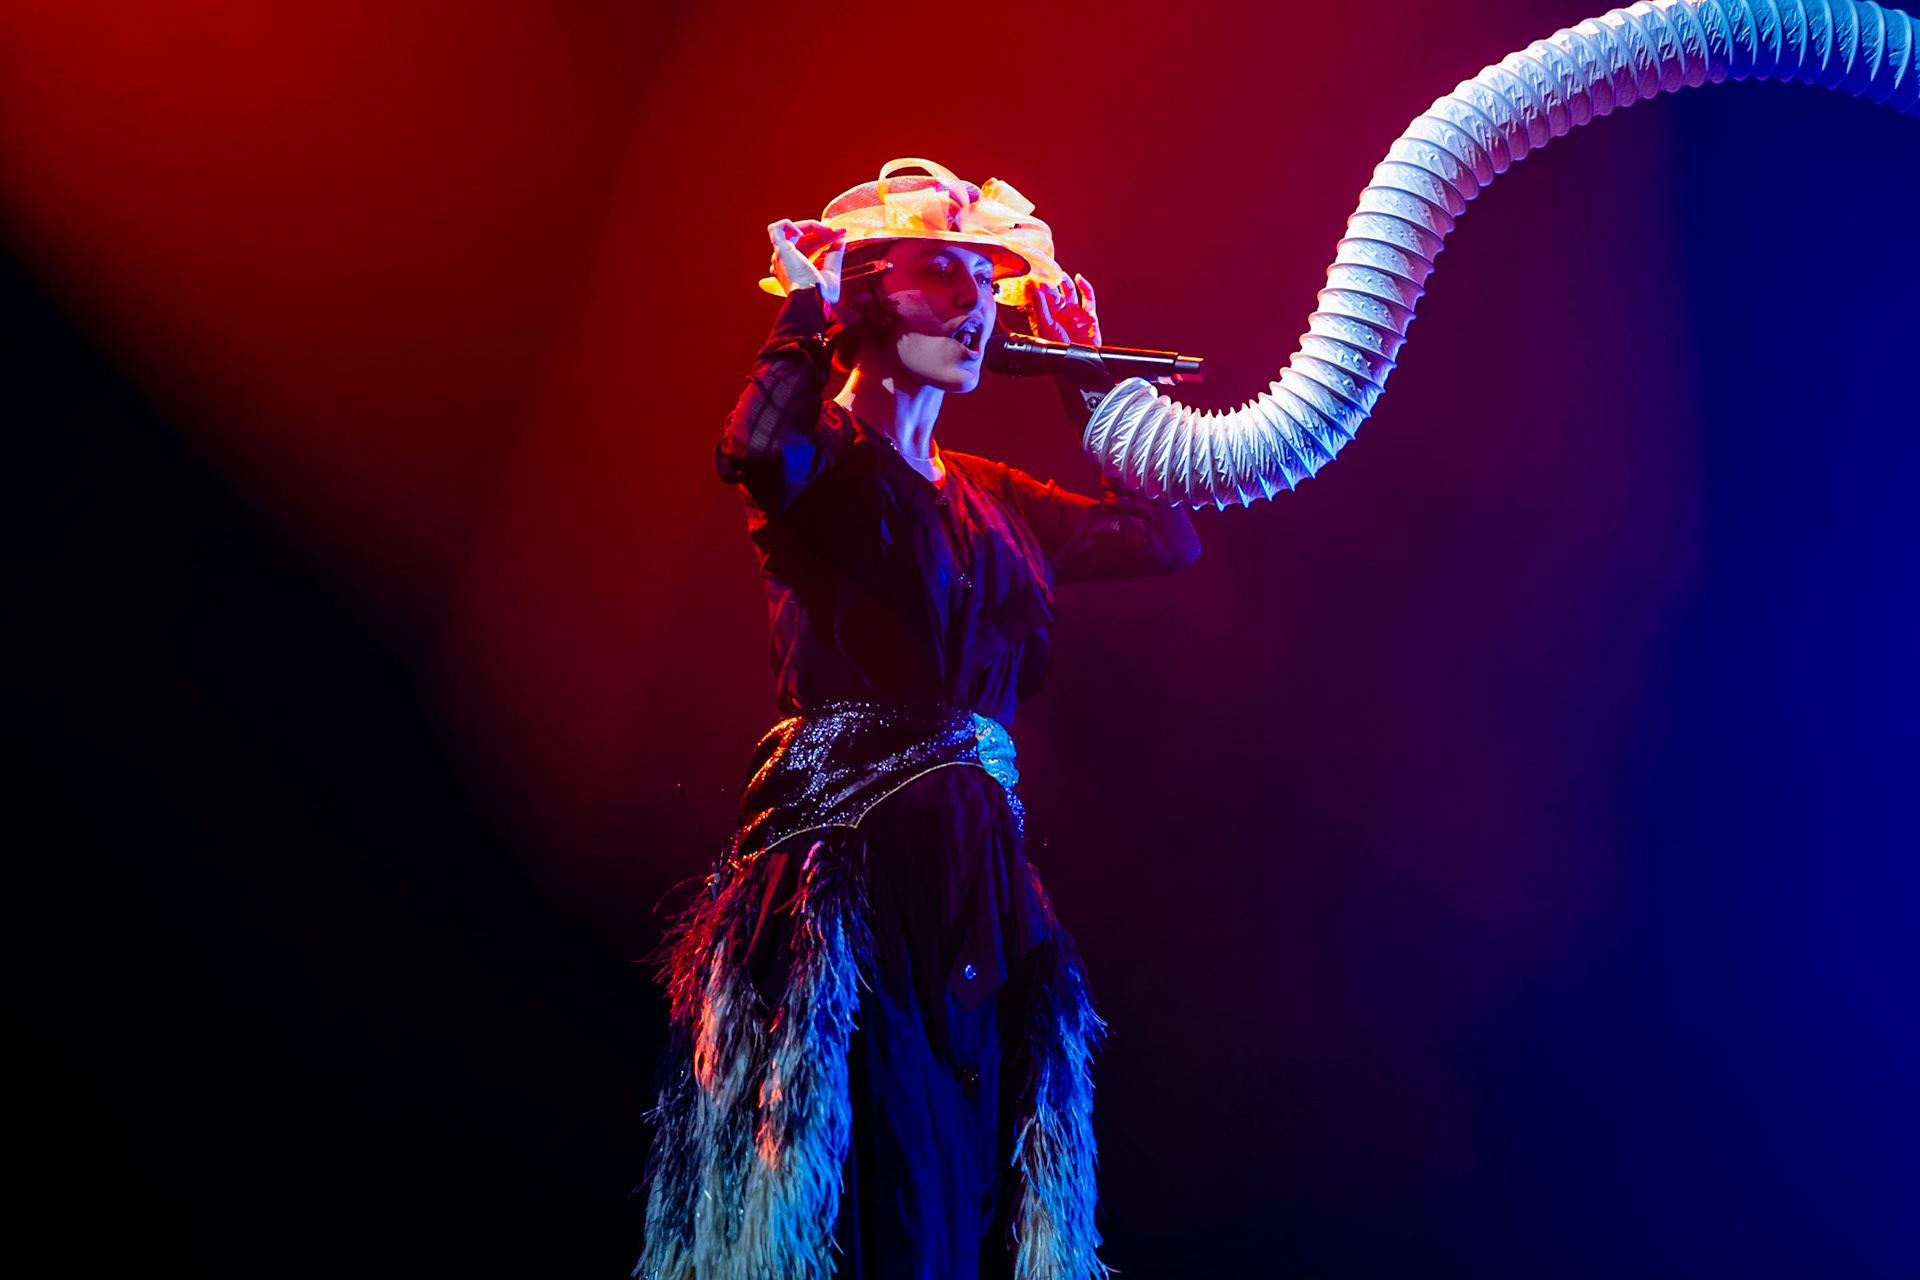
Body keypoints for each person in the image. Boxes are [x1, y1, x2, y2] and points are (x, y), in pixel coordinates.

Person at [637, 159, 1198, 1280]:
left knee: (967, 1175)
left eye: (987, 286)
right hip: (853, 868)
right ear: (865, 296)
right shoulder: (819, 462)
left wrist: (1090, 381)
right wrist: (802, 309)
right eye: (943, 277)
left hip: (976, 887)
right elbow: (755, 447)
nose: (979, 305)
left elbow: (1165, 536)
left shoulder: (990, 494)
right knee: (865, 1164)